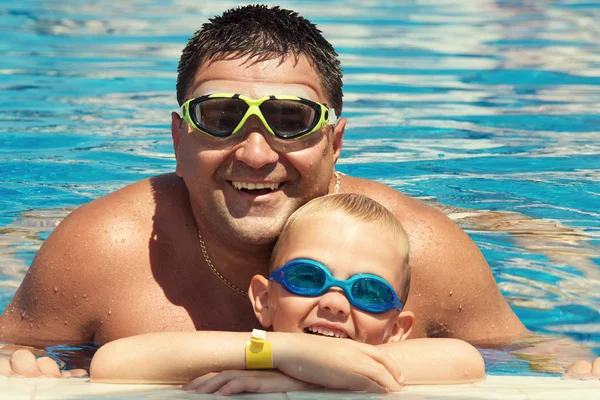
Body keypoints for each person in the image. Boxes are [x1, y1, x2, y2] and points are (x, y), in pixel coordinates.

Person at [0, 5, 597, 382]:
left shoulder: (418, 249)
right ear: (178, 137)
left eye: (289, 119)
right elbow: (19, 351)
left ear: (335, 142)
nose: (255, 154)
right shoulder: (102, 249)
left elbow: (522, 358)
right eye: (218, 116)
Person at [89, 194, 485, 394]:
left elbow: (466, 361)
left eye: (368, 291)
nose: (334, 302)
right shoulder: (253, 355)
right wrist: (283, 353)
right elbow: (111, 363)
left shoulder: (393, 356)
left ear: (397, 330)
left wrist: (298, 380)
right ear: (264, 300)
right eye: (308, 277)